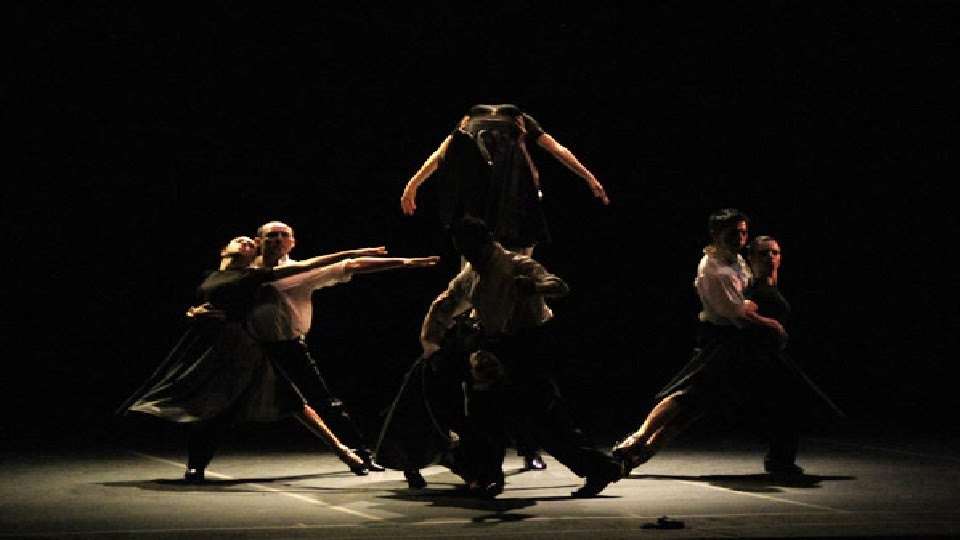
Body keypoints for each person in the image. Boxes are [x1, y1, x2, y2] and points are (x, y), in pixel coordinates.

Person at [118, 236, 435, 482]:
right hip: (215, 348)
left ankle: (353, 453)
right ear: (227, 249)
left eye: (250, 241)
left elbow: (330, 265)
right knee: (212, 409)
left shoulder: (256, 275)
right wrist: (195, 312)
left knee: (301, 401)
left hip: (255, 346)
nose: (247, 243)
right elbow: (210, 303)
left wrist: (390, 259)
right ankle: (196, 466)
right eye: (244, 240)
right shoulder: (216, 275)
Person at [611, 211, 842, 478]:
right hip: (723, 342)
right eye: (733, 233)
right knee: (686, 397)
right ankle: (635, 442)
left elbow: (745, 303)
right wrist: (772, 325)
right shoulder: (715, 269)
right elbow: (738, 313)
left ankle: (634, 458)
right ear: (716, 234)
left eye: (743, 233)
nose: (740, 238)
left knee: (693, 408)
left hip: (741, 345)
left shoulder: (738, 263)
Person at [412, 216, 623, 498]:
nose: (467, 254)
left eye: (470, 248)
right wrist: (431, 343)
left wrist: (534, 288)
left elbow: (558, 286)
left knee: (543, 417)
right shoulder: (471, 274)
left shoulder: (517, 265)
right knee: (485, 411)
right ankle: (488, 476)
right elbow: (445, 304)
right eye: (462, 249)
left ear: (486, 242)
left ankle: (599, 468)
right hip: (497, 346)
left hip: (529, 344)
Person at [247, 220, 438, 474]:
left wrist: (404, 262)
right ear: (258, 242)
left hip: (290, 347)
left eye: (284, 235)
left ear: (292, 243)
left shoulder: (302, 271)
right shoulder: (244, 273)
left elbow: (352, 265)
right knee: (225, 402)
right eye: (272, 235)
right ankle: (198, 462)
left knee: (324, 402)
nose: (278, 240)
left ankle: (361, 453)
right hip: (251, 347)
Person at [400, 103, 610, 256]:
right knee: (508, 243)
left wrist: (413, 185)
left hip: (493, 192)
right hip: (494, 192)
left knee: (498, 242)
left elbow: (441, 154)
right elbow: (557, 149)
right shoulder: (504, 124)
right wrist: (589, 178)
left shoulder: (508, 123)